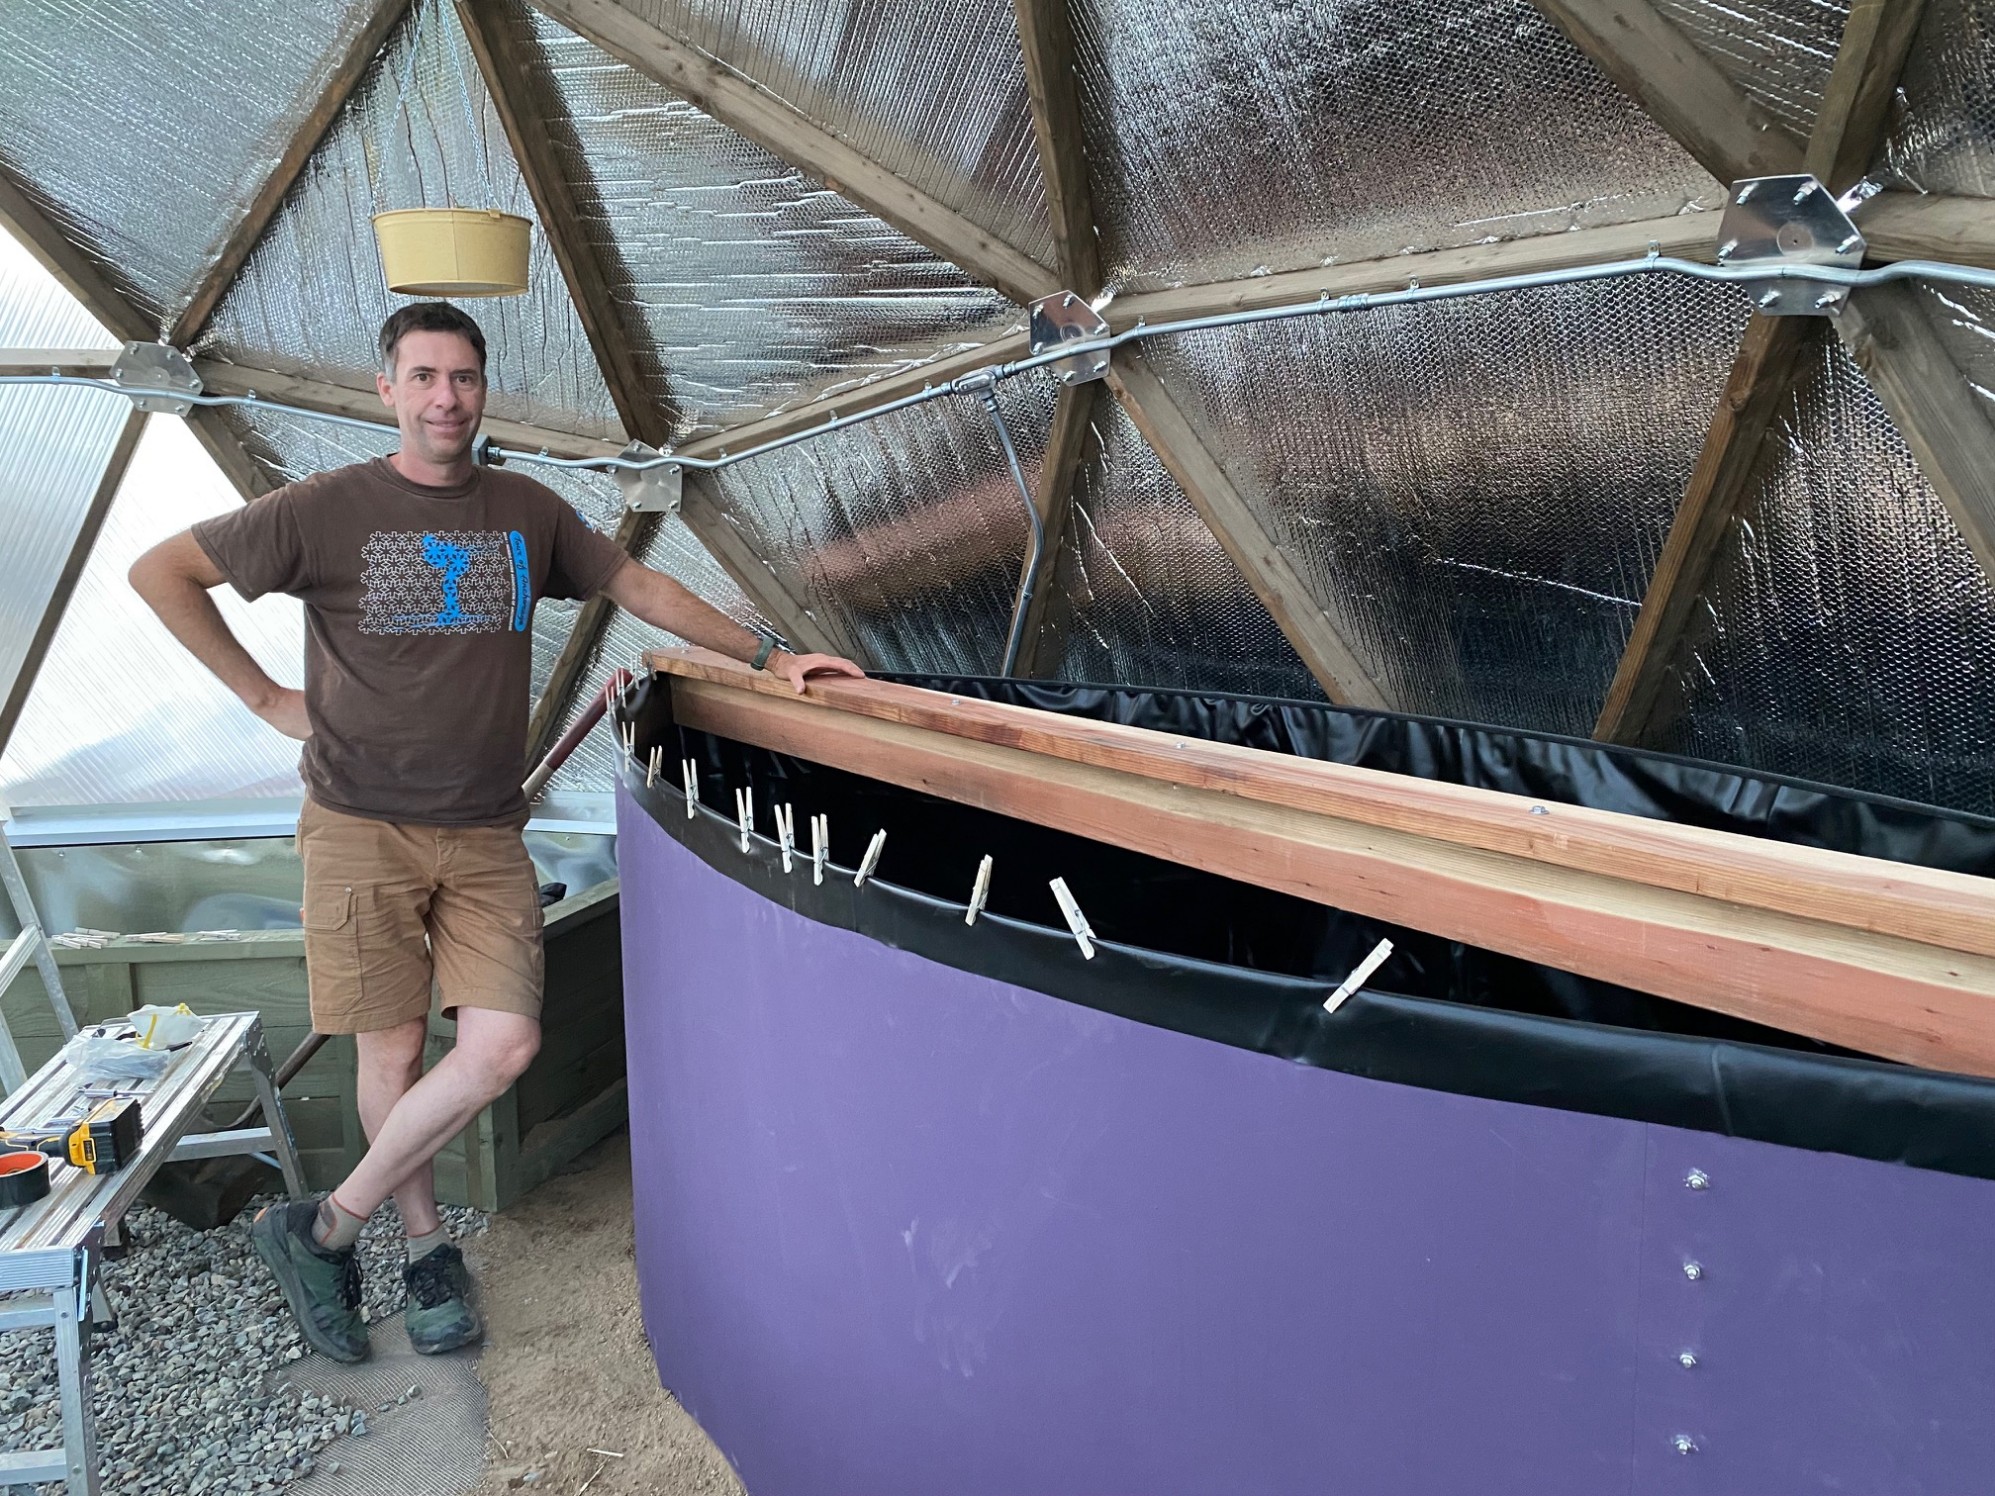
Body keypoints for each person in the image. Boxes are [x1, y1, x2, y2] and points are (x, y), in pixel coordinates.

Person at [129, 302, 863, 1362]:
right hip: (358, 824)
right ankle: (426, 1250)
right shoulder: (322, 510)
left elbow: (637, 582)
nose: (445, 397)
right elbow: (162, 571)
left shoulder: (526, 509)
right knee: (389, 1045)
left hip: (481, 829)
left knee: (502, 1044)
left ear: (483, 391)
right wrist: (262, 698)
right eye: (423, 376)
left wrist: (767, 655)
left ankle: (324, 1224)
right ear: (387, 389)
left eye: (463, 377)